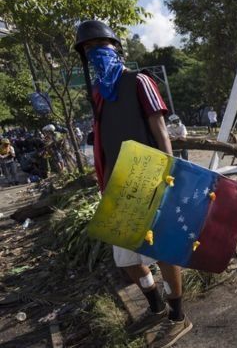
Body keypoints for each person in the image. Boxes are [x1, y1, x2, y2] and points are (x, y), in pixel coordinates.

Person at [74, 20, 191, 347]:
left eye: (99, 47)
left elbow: (161, 134)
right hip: (118, 187)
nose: (94, 54)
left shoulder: (140, 82)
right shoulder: (99, 96)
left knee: (163, 252)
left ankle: (178, 315)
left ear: (114, 49)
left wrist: (169, 175)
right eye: (87, 50)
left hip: (149, 177)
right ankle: (154, 304)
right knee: (127, 261)